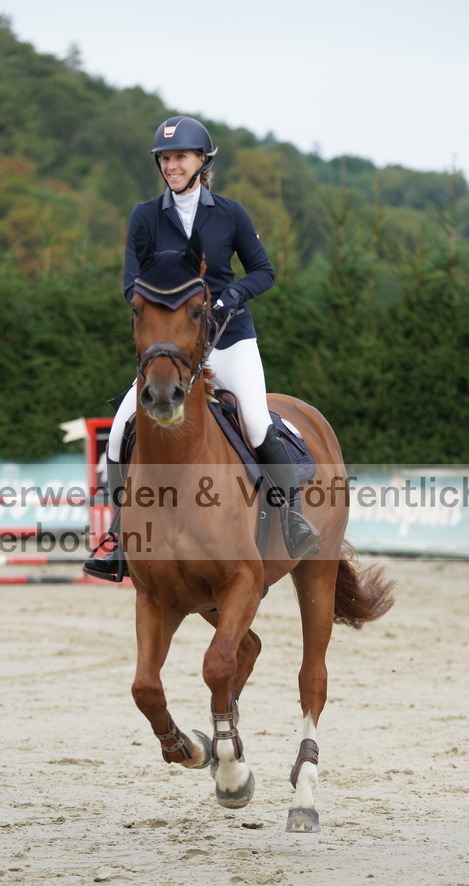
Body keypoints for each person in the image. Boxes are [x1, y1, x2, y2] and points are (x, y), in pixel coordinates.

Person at [84, 115, 318, 581]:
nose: (172, 165)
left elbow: (263, 271)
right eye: (166, 158)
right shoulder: (145, 216)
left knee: (254, 420)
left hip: (228, 339)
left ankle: (291, 518)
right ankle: (119, 535)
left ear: (201, 161)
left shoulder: (229, 213)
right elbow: (131, 282)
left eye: (180, 157)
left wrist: (230, 295)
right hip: (171, 346)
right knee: (124, 425)